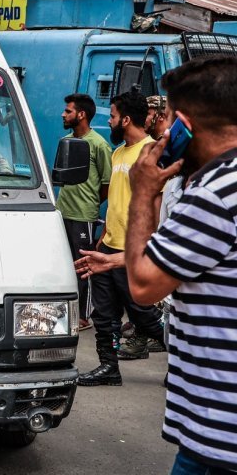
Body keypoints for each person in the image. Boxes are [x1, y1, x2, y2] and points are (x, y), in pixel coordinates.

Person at [125, 55, 237, 474]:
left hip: (218, 439)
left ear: (185, 126)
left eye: (168, 118)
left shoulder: (213, 194)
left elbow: (143, 284)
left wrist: (144, 193)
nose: (162, 128)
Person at [77, 90, 164, 387]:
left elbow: (156, 206)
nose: (110, 121)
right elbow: (116, 200)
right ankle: (108, 368)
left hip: (135, 252)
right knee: (105, 315)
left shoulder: (153, 152)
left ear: (125, 119)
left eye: (113, 116)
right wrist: (102, 238)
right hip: (108, 248)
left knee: (145, 316)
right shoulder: (117, 153)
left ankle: (185, 362)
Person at [55, 93, 111, 329]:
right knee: (63, 264)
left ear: (81, 114)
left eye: (68, 111)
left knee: (84, 267)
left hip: (83, 216)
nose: (63, 114)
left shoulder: (98, 144)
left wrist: (90, 205)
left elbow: (107, 183)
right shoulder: (66, 141)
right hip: (62, 212)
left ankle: (83, 316)